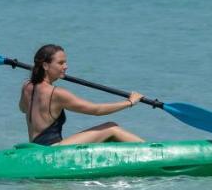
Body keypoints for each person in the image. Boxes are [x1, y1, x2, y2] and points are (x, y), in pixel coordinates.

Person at [18, 44, 146, 146]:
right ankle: (154, 152)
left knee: (105, 134)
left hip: (36, 147)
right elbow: (96, 110)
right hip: (54, 150)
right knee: (111, 128)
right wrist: (129, 102)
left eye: (65, 62)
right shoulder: (56, 93)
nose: (66, 67)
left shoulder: (27, 86)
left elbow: (23, 109)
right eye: (60, 63)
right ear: (45, 65)